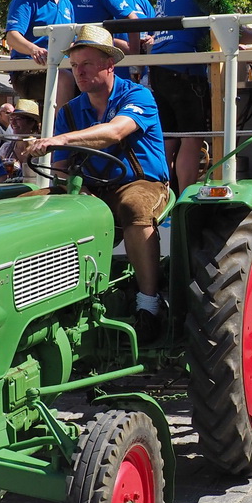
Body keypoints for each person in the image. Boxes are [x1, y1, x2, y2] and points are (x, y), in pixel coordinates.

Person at [20, 25, 173, 343]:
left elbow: (114, 132)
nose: (79, 72)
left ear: (109, 64)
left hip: (141, 183)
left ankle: (148, 306)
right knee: (29, 204)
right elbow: (61, 171)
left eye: (87, 63)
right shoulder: (71, 112)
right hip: (91, 189)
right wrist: (74, 191)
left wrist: (56, 140)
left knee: (135, 206)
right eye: (74, 66)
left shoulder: (137, 95)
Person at [150, 0, 216, 188]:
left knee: (168, 139)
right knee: (191, 138)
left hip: (158, 68)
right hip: (185, 70)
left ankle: (160, 196)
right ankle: (185, 197)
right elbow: (222, 23)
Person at [4, 0, 78, 105]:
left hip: (59, 67)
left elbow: (71, 42)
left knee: (92, 79)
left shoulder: (68, 3)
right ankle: (60, 130)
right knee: (65, 79)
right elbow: (12, 37)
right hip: (28, 71)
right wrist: (34, 50)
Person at [0, 99, 43, 180]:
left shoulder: (41, 148)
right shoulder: (6, 149)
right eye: (11, 118)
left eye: (18, 119)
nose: (13, 123)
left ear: (31, 122)